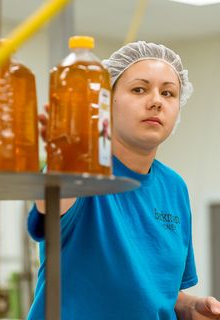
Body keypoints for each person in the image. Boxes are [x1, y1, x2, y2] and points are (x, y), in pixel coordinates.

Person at [27, 41, 220, 319]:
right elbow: (50, 207)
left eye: (168, 93)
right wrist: (65, 158)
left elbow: (160, 290)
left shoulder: (174, 187)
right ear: (106, 101)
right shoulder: (81, 167)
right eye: (139, 89)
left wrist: (190, 307)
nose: (156, 101)